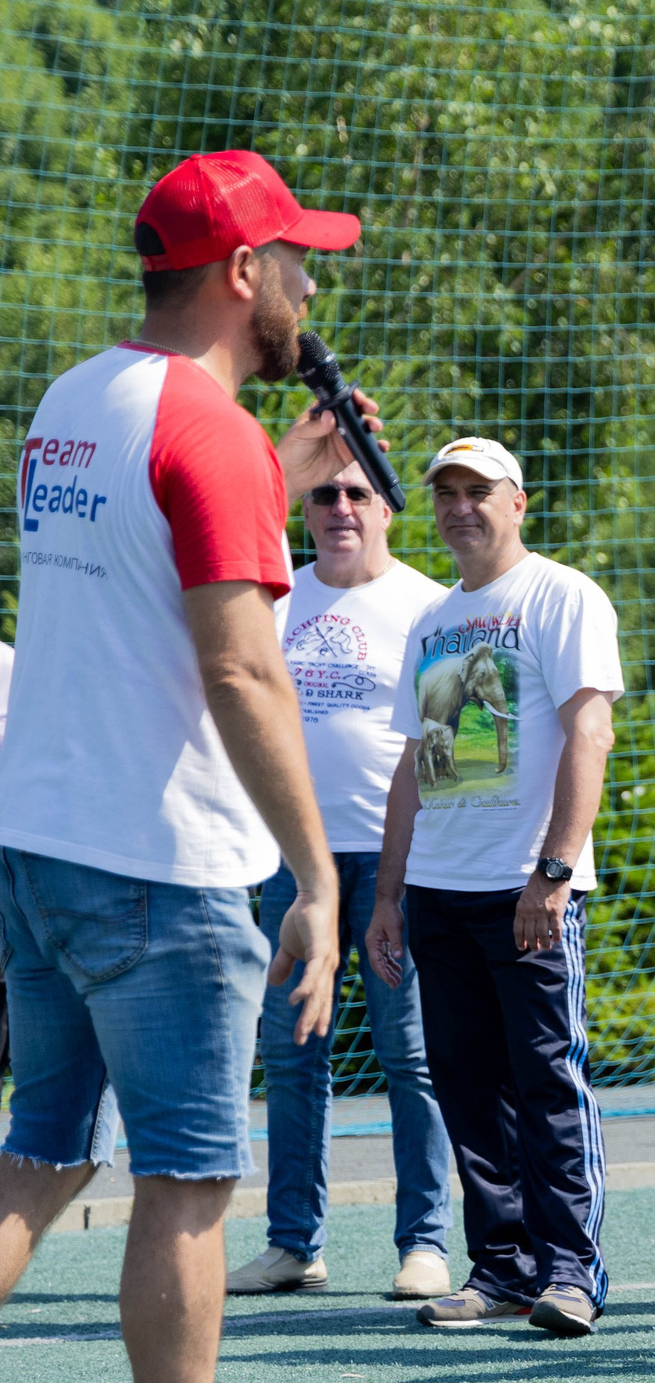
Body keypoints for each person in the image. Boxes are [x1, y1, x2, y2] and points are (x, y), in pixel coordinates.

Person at [0, 149, 361, 1383]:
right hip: (159, 865)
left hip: (40, 843)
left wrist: (282, 473)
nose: (310, 283)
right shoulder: (206, 435)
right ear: (238, 274)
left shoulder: (72, 400)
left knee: (33, 1159)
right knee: (191, 1184)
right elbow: (240, 668)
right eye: (295, 257)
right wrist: (319, 877)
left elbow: (149, 561)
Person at [369, 437, 624, 1339]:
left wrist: (553, 871)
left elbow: (588, 737)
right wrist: (391, 893)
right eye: (446, 493)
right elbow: (414, 764)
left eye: (479, 491)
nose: (460, 507)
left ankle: (569, 1271)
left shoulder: (562, 595)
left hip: (529, 888)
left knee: (548, 1079)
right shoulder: (434, 618)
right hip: (438, 892)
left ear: (521, 502)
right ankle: (503, 1267)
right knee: (469, 1087)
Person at [223, 461, 454, 1303]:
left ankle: (425, 1242)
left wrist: (412, 868)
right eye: (324, 493)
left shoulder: (434, 605)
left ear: (388, 506)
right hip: (290, 861)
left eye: (359, 493)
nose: (342, 508)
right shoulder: (272, 600)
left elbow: (456, 749)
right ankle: (293, 1244)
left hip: (398, 866)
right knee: (290, 1055)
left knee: (411, 1056)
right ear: (304, 508)